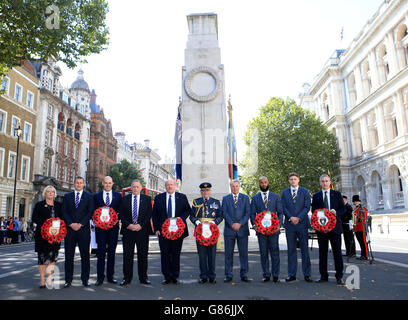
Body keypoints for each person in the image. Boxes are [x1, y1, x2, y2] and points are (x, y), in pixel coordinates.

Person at [152, 179, 191, 285]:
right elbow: (154, 214)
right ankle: (166, 276)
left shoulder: (182, 197)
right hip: (163, 232)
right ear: (165, 186)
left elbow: (188, 210)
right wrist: (156, 229)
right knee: (165, 254)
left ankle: (175, 276)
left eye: (171, 185)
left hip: (178, 231)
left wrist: (180, 219)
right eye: (168, 185)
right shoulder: (159, 198)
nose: (170, 187)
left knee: (175, 254)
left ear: (175, 186)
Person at [311, 174, 345, 285]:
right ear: (320, 183)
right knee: (322, 252)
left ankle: (339, 276)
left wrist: (337, 213)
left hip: (335, 228)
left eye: (326, 181)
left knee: (337, 253)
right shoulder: (316, 196)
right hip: (321, 229)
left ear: (330, 182)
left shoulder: (337, 194)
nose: (325, 183)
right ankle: (323, 275)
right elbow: (313, 211)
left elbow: (343, 209)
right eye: (322, 181)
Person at [62, 176, 94, 288]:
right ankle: (68, 280)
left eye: (81, 183)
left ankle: (85, 279)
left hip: (83, 230)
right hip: (70, 230)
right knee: (69, 256)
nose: (79, 184)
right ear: (74, 184)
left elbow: (90, 212)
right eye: (77, 183)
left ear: (83, 184)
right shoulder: (67, 196)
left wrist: (81, 224)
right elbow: (64, 212)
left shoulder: (89, 197)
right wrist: (71, 223)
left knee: (85, 256)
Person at [119, 179, 152, 286]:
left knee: (143, 255)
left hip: (142, 231)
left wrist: (140, 225)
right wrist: (128, 225)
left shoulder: (147, 199)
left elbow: (148, 214)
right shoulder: (124, 199)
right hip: (128, 231)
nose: (135, 189)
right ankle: (126, 278)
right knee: (127, 256)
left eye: (137, 187)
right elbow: (121, 214)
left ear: (141, 188)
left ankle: (143, 278)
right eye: (133, 187)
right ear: (131, 188)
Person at [250, 177, 283, 283]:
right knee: (263, 253)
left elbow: (280, 212)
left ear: (268, 183)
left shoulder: (275, 196)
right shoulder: (255, 198)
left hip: (274, 231)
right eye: (261, 183)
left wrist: (279, 224)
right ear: (259, 184)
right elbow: (252, 213)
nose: (263, 184)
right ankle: (266, 274)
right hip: (261, 231)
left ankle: (276, 275)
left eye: (265, 182)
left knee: (275, 252)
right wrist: (255, 225)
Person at [281, 173, 312, 283]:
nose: (293, 181)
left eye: (295, 179)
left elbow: (307, 206)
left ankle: (307, 274)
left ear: (298, 180)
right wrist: (291, 217)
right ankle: (291, 274)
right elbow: (283, 207)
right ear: (289, 181)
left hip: (302, 224)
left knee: (304, 250)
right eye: (291, 179)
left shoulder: (305, 191)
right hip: (290, 225)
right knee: (291, 250)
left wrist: (298, 217)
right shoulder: (284, 192)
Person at [190, 182, 223, 284]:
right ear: (200, 192)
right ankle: (203, 276)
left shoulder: (216, 202)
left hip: (212, 232)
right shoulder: (196, 202)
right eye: (203, 191)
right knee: (202, 255)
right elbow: (191, 216)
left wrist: (214, 222)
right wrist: (197, 222)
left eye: (207, 190)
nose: (205, 192)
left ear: (210, 191)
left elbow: (221, 216)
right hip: (200, 232)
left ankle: (212, 276)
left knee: (212, 255)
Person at [32, 186, 63, 289]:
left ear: (54, 194)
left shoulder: (58, 205)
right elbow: (34, 218)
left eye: (52, 192)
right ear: (45, 193)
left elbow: (62, 219)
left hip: (55, 236)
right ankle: (42, 280)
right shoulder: (39, 205)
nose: (50, 193)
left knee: (52, 257)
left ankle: (49, 277)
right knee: (42, 258)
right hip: (42, 236)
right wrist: (47, 223)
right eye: (48, 192)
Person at [93, 176, 122, 286]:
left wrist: (116, 219)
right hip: (100, 230)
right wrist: (97, 221)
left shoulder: (118, 196)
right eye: (106, 183)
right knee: (100, 253)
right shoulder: (96, 196)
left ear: (112, 183)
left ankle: (110, 276)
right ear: (102, 183)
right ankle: (100, 277)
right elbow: (93, 211)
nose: (108, 185)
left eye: (109, 183)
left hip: (113, 229)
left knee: (111, 253)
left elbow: (120, 211)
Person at [222, 180, 251, 283]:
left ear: (239, 187)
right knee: (228, 254)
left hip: (242, 230)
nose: (235, 188)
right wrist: (232, 224)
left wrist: (240, 223)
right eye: (233, 186)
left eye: (237, 186)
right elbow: (224, 213)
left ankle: (244, 274)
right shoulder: (225, 198)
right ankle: (228, 274)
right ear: (230, 187)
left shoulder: (245, 198)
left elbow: (248, 213)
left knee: (243, 254)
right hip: (229, 230)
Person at [352, 195, 369, 260]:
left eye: (357, 201)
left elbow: (365, 217)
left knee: (363, 242)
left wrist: (359, 219)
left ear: (359, 202)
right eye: (355, 201)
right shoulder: (355, 209)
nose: (356, 202)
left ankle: (366, 255)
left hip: (362, 227)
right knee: (360, 242)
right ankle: (362, 255)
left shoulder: (363, 208)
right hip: (356, 228)